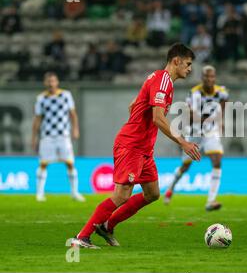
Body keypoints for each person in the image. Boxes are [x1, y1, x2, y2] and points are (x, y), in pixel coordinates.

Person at [71, 43, 201, 249]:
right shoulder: (163, 82)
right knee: (122, 194)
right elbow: (158, 118)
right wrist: (182, 141)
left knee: (152, 193)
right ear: (176, 61)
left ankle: (107, 226)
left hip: (143, 148)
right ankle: (82, 236)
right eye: (188, 63)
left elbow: (134, 104)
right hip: (132, 145)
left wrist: (140, 124)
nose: (190, 69)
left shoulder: (158, 78)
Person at [164, 65, 228, 211]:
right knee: (185, 166)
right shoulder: (194, 93)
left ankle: (211, 201)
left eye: (212, 76)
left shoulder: (222, 92)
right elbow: (190, 114)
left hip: (210, 133)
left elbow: (223, 106)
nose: (209, 79)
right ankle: (171, 187)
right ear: (202, 78)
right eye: (206, 76)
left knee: (217, 160)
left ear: (215, 77)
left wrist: (220, 121)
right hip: (194, 133)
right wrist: (207, 119)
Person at [31, 72, 84, 202]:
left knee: (70, 163)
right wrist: (33, 137)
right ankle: (39, 194)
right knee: (43, 164)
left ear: (57, 82)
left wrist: (75, 129)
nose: (51, 83)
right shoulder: (41, 98)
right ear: (45, 83)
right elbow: (37, 119)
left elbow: (73, 114)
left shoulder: (66, 95)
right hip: (47, 136)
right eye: (49, 81)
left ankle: (74, 193)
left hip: (63, 135)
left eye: (53, 81)